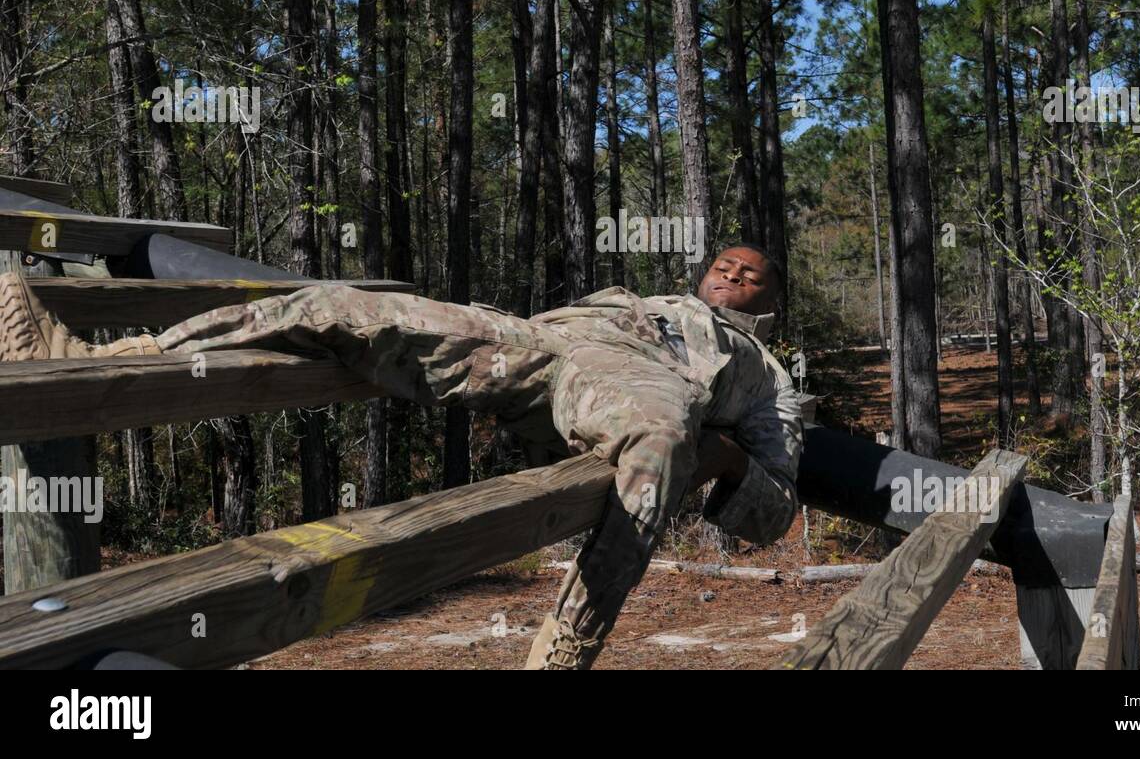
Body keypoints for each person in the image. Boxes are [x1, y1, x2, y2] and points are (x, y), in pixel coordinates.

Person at [0, 243, 803, 669]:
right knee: (343, 305)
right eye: (722, 263)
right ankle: (129, 354)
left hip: (643, 386)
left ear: (769, 304)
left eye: (750, 274)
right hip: (541, 339)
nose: (730, 273)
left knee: (661, 439)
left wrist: (727, 463)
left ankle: (567, 645)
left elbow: (776, 509)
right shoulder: (643, 298)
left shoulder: (764, 374)